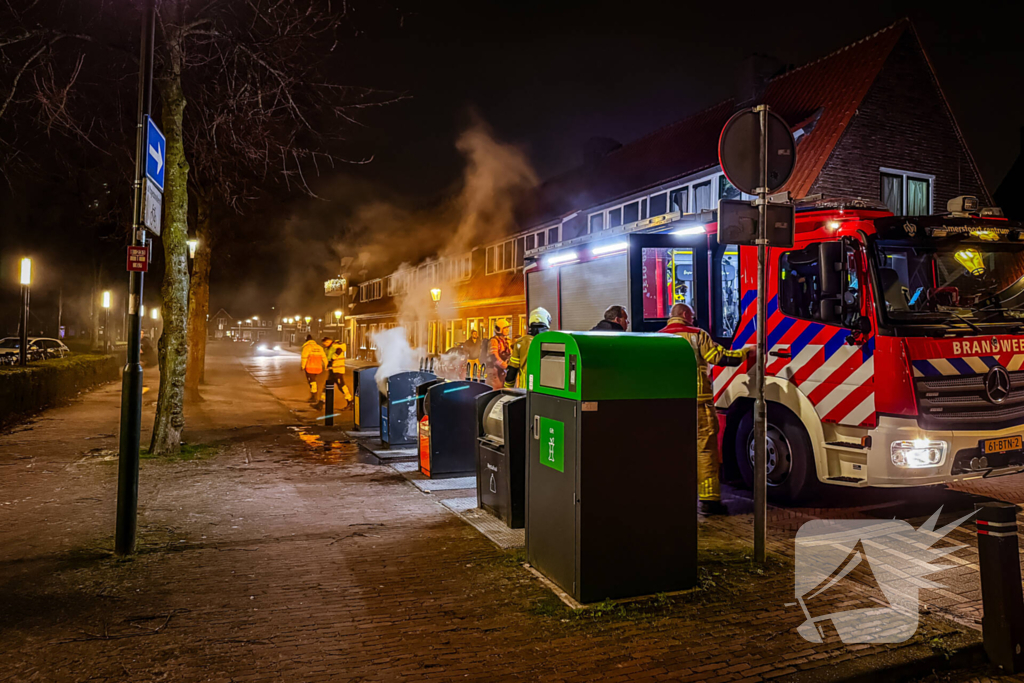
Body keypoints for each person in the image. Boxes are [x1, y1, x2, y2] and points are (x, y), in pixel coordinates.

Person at [658, 303, 755, 517]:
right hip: (698, 403)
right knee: (705, 451)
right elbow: (721, 358)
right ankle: (710, 500)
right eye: (691, 316)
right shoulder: (697, 335)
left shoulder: (657, 338)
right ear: (685, 315)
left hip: (669, 406)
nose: (692, 320)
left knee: (671, 451)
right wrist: (747, 352)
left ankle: (671, 496)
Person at [504, 307, 551, 389]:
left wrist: (506, 389)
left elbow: (512, 370)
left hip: (526, 390)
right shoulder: (553, 341)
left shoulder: (521, 343)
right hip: (547, 391)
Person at [323, 336, 353, 406]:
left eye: (325, 343)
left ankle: (350, 400)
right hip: (333, 370)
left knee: (341, 386)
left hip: (338, 370)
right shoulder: (329, 348)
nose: (324, 345)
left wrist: (332, 360)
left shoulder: (335, 346)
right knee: (328, 386)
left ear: (328, 341)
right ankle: (321, 402)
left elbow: (339, 351)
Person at [300, 334, 328, 408]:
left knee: (312, 382)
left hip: (310, 367)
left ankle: (314, 396)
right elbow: (324, 357)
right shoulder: (319, 347)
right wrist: (326, 365)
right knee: (313, 381)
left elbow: (304, 357)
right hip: (318, 367)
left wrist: (303, 366)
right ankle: (313, 395)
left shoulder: (307, 347)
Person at [485, 319, 512, 390]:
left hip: (502, 371)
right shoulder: (494, 341)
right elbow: (494, 357)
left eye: (507, 328)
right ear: (499, 329)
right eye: (505, 328)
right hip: (494, 371)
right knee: (495, 391)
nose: (507, 330)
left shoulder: (506, 341)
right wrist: (505, 366)